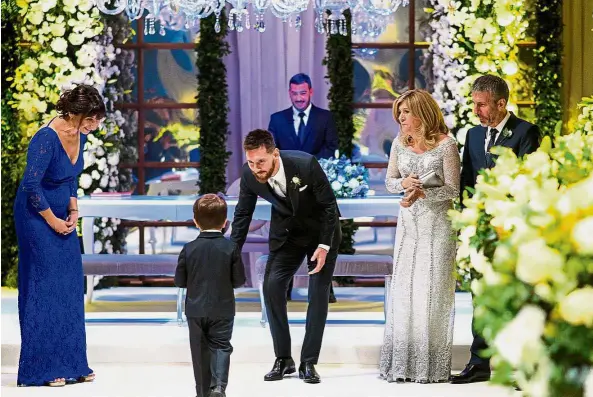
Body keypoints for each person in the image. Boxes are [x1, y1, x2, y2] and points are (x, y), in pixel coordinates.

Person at [230, 129, 341, 384]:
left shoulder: (305, 164)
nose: (256, 168)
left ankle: (309, 362)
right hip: (287, 235)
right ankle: (283, 359)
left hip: (321, 234)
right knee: (272, 287)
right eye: (251, 162)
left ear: (274, 154)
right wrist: (232, 251)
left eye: (261, 162)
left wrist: (324, 246)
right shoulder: (249, 174)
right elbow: (242, 215)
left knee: (318, 293)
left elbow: (328, 207)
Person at [450, 74, 541, 384]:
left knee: (516, 297)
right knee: (480, 295)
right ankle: (479, 362)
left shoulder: (526, 132)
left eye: (482, 105)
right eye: (474, 104)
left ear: (501, 104)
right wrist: (466, 223)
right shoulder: (473, 135)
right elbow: (466, 180)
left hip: (513, 229)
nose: (476, 110)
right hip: (480, 230)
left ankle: (520, 364)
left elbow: (530, 181)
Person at [14, 84, 105, 387]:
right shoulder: (45, 138)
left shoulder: (80, 136)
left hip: (61, 212)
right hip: (35, 215)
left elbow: (70, 178)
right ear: (76, 114)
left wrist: (74, 212)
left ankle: (73, 364)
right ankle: (41, 369)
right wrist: (53, 220)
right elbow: (30, 186)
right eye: (92, 119)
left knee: (68, 285)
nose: (96, 125)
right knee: (45, 286)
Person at [379, 89, 460, 383]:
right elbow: (389, 183)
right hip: (408, 226)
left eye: (406, 112)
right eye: (399, 113)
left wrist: (423, 190)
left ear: (422, 114)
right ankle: (402, 364)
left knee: (432, 291)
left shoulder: (446, 145)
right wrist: (404, 183)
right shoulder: (399, 145)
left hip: (438, 225)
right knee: (405, 292)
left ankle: (430, 366)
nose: (401, 118)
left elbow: (452, 190)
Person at [268, 73, 339, 302]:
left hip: (316, 188)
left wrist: (309, 169)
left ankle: (322, 290)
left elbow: (331, 148)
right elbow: (272, 153)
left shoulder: (325, 118)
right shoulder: (277, 119)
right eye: (294, 93)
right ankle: (283, 289)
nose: (298, 98)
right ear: (289, 93)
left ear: (311, 92)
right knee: (287, 237)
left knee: (317, 234)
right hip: (285, 191)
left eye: (302, 93)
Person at [174, 193, 246, 397]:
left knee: (199, 352)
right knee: (222, 347)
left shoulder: (188, 249)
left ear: (195, 221)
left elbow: (180, 281)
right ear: (225, 222)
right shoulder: (231, 248)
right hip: (223, 308)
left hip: (195, 309)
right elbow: (239, 281)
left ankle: (202, 392)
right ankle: (219, 387)